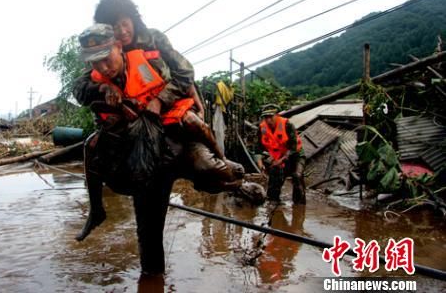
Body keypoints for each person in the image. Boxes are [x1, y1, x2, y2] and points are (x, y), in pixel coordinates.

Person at [72, 23, 247, 276]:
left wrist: (170, 97)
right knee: (149, 237)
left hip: (178, 139)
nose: (102, 67)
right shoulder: (96, 77)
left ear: (119, 47)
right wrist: (103, 88)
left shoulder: (151, 61)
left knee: (211, 170)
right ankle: (100, 216)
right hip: (145, 160)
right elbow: (79, 90)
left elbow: (183, 76)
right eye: (94, 62)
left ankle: (236, 179)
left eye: (105, 58)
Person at [257, 104, 306, 204]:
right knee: (275, 175)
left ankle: (299, 205)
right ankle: (273, 201)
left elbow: (293, 147)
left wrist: (281, 160)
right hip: (277, 156)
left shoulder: (287, 125)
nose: (268, 120)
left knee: (297, 176)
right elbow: (258, 147)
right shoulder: (262, 128)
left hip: (296, 155)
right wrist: (259, 162)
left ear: (277, 115)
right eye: (266, 117)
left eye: (271, 116)